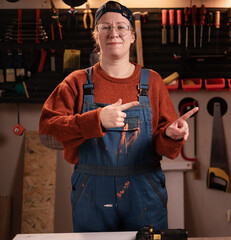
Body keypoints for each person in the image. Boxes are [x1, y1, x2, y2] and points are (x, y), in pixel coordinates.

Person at [39, 1, 198, 232]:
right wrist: (95, 120)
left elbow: (163, 148)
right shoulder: (76, 82)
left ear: (132, 36)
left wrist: (172, 136)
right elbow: (47, 132)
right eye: (105, 27)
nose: (114, 33)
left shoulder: (152, 81)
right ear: (97, 35)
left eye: (121, 27)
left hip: (144, 191)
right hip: (92, 192)